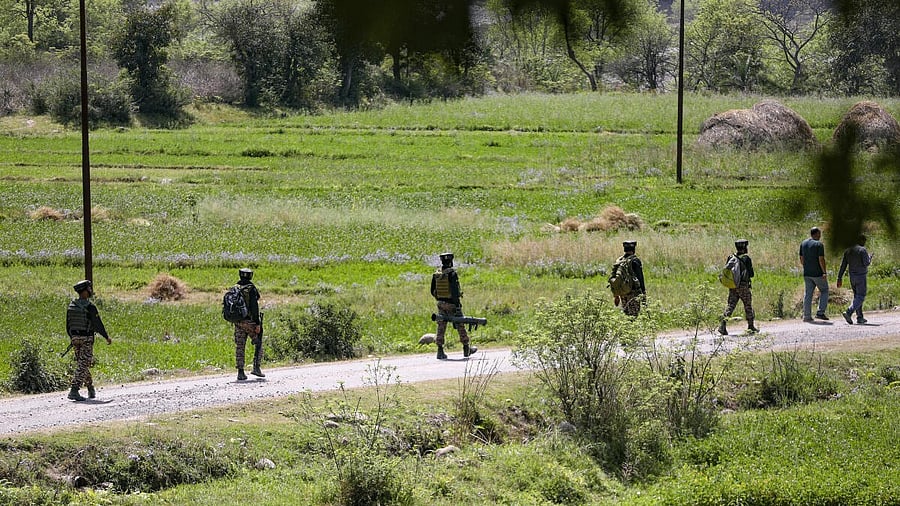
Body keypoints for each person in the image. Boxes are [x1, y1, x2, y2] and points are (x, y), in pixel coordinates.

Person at [65, 280, 112, 401]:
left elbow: (68, 325)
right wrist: (106, 336)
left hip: (75, 338)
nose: (91, 291)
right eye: (89, 289)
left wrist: (73, 338)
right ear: (85, 291)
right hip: (86, 338)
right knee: (84, 364)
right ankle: (74, 390)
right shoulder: (90, 307)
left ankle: (90, 388)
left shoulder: (72, 306)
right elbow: (97, 324)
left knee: (82, 364)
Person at [430, 252, 477, 360]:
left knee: (441, 326)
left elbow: (432, 291)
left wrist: (440, 299)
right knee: (460, 324)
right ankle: (466, 348)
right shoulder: (452, 274)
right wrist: (457, 304)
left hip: (441, 303)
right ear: (451, 261)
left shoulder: (437, 274)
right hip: (452, 304)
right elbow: (455, 291)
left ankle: (440, 350)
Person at [718, 239, 758, 335]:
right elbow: (751, 274)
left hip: (733, 286)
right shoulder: (746, 258)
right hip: (743, 286)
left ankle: (722, 325)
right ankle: (751, 326)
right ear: (744, 247)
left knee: (730, 305)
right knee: (748, 306)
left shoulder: (731, 257)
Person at [232, 268, 264, 380]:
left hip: (238, 321)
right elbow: (254, 307)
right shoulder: (251, 288)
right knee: (258, 342)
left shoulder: (235, 287)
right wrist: (257, 323)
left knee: (240, 346)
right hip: (249, 321)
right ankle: (256, 367)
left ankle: (240, 372)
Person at [837, 234, 873, 325]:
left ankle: (860, 317)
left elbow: (843, 265)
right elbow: (866, 263)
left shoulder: (848, 250)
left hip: (852, 277)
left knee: (857, 297)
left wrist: (839, 277)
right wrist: (869, 258)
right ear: (861, 240)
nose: (864, 243)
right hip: (861, 276)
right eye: (864, 241)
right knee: (861, 296)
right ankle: (848, 312)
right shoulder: (862, 250)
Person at [799, 227, 829, 322]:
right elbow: (821, 259)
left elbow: (801, 259)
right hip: (818, 273)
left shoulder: (803, 243)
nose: (820, 236)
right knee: (824, 290)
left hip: (807, 273)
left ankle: (807, 316)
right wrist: (824, 272)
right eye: (819, 234)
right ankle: (820, 313)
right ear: (816, 234)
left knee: (808, 294)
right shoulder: (819, 245)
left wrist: (806, 267)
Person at [614, 240, 646, 317]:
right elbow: (640, 278)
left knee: (626, 314)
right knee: (633, 316)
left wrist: (616, 295)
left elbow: (615, 278)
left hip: (623, 293)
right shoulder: (635, 261)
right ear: (634, 249)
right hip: (633, 293)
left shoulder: (620, 261)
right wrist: (643, 293)